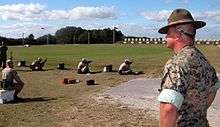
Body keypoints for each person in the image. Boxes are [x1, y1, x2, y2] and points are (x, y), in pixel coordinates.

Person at [157, 8, 220, 127]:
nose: (165, 36)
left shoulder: (176, 64)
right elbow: (214, 88)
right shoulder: (203, 60)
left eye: (168, 32)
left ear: (177, 34)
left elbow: (168, 108)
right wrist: (195, 112)